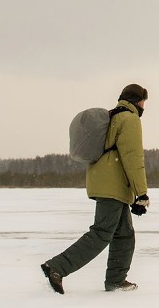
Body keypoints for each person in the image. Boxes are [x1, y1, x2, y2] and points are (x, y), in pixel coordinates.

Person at [41, 84, 150, 294]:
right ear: (137, 100)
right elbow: (133, 158)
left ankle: (116, 280)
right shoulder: (129, 119)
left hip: (103, 181)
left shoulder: (113, 116)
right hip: (113, 185)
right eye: (144, 100)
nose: (145, 105)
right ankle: (57, 267)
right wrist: (141, 193)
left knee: (124, 234)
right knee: (101, 233)